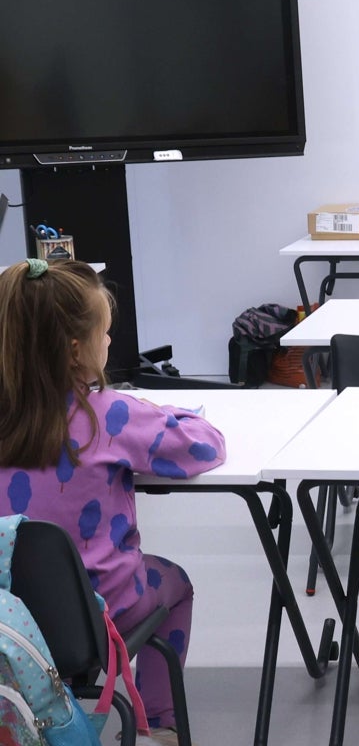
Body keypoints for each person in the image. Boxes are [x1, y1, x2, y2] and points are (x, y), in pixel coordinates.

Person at [0, 258, 226, 746]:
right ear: (77, 349)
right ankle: (161, 723)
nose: (109, 342)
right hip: (98, 615)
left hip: (7, 615)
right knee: (176, 584)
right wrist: (157, 410)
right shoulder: (113, 415)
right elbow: (206, 446)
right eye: (104, 333)